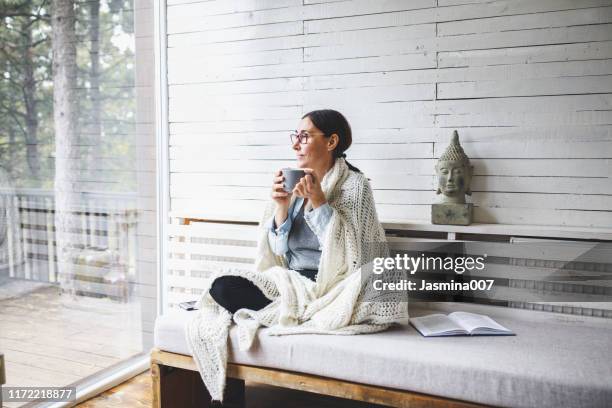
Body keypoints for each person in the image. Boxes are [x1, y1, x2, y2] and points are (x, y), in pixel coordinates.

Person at [209, 109, 366, 313]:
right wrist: (281, 207)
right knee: (221, 286)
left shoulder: (354, 186)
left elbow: (348, 253)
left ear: (331, 142)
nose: (295, 145)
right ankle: (293, 308)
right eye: (296, 136)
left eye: (304, 137)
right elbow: (277, 251)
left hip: (332, 285)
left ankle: (297, 309)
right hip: (289, 280)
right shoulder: (293, 184)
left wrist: (318, 201)